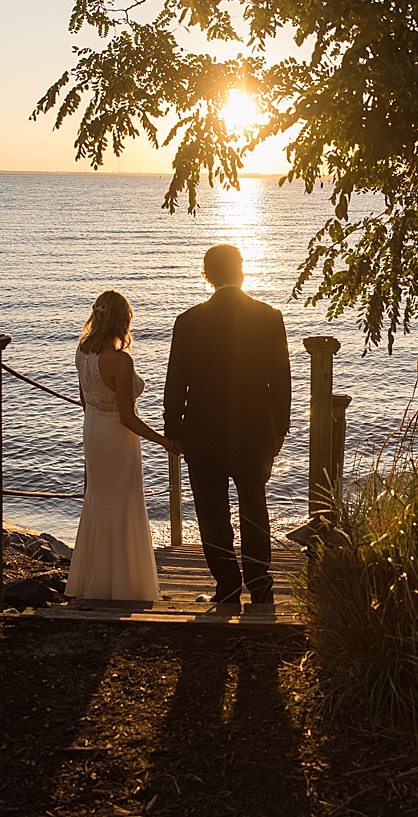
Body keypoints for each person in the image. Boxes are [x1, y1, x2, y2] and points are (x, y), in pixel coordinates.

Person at [164, 244, 292, 606]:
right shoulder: (269, 316)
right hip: (255, 434)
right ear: (241, 271)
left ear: (207, 274)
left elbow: (176, 383)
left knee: (212, 512)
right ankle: (260, 583)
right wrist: (278, 430)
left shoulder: (188, 321)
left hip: (203, 434)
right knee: (255, 507)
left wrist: (174, 430)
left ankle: (227, 586)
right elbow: (281, 382)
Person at [64, 290, 172, 602]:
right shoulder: (120, 361)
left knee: (98, 500)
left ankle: (93, 581)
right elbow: (127, 417)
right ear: (122, 320)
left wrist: (99, 419)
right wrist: (164, 441)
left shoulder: (83, 351)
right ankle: (126, 587)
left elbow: (86, 400)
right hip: (118, 439)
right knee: (124, 502)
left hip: (94, 431)